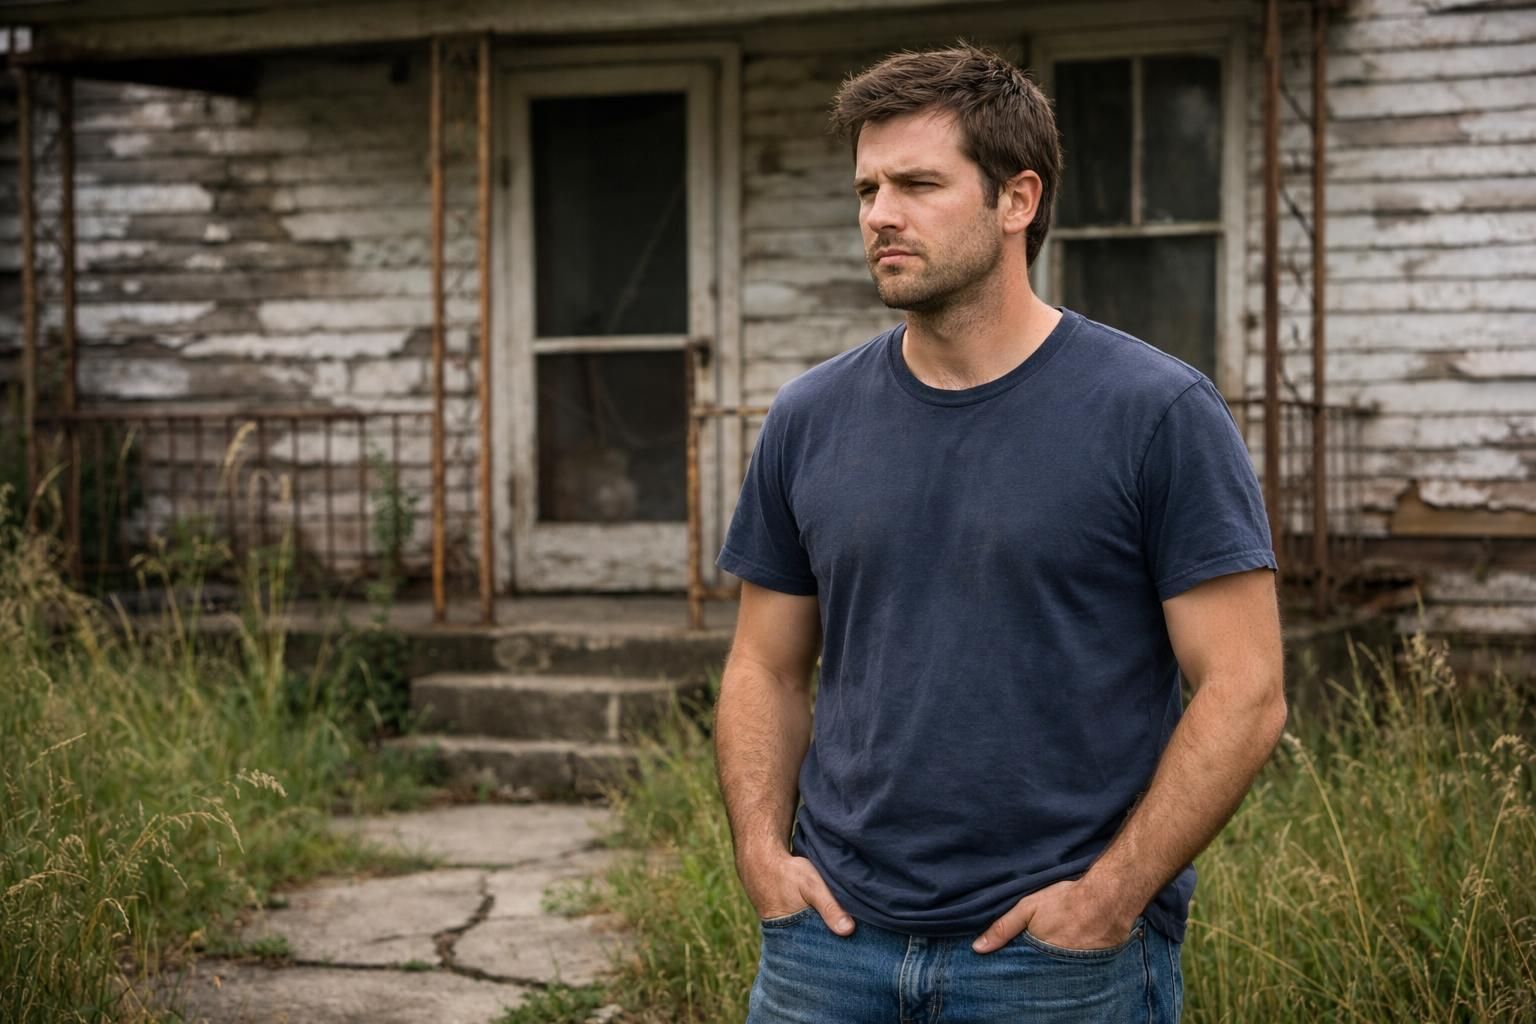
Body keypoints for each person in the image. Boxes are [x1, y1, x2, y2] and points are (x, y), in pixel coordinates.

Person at [713, 42, 1287, 1023]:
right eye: (866, 188)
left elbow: (1246, 689)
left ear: (1017, 199)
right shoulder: (809, 416)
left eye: (918, 184)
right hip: (830, 952)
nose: (879, 214)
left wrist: (1111, 898)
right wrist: (766, 860)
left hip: (1055, 964)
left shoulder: (1154, 413)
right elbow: (764, 665)